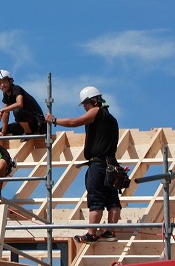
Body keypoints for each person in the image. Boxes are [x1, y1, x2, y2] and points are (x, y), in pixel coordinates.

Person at [45, 86, 121, 244]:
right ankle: (110, 232)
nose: (85, 108)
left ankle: (91, 234)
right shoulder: (111, 118)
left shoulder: (96, 112)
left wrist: (54, 120)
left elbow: (74, 122)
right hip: (111, 164)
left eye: (85, 104)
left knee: (96, 199)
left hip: (99, 165)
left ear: (93, 101)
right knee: (112, 199)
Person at [0, 70, 45, 137]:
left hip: (38, 122)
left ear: (10, 81)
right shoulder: (6, 94)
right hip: (28, 123)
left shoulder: (16, 88)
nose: (2, 85)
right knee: (3, 129)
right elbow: (6, 113)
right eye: (0, 83)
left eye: (4, 82)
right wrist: (3, 132)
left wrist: (2, 110)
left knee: (17, 111)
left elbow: (19, 104)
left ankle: (28, 133)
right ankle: (27, 132)